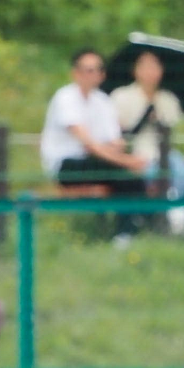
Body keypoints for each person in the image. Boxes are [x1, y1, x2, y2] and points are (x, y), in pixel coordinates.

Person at [40, 48, 148, 240]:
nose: (93, 75)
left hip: (96, 160)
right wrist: (126, 160)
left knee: (128, 177)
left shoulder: (103, 101)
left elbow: (114, 142)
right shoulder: (65, 98)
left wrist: (118, 153)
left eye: (97, 69)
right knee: (123, 173)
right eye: (87, 70)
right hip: (67, 165)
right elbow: (89, 144)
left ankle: (126, 231)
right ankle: (125, 231)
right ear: (76, 73)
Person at [110, 49, 184, 235]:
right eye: (145, 66)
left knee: (183, 171)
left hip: (165, 153)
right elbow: (119, 134)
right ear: (135, 70)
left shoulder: (168, 99)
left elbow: (172, 129)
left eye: (154, 66)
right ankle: (169, 218)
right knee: (154, 176)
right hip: (138, 155)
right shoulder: (121, 96)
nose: (150, 71)